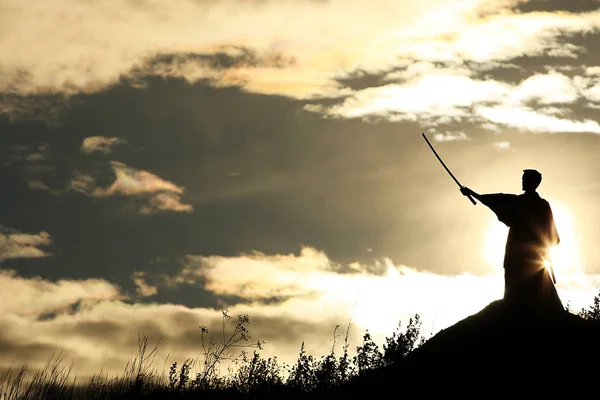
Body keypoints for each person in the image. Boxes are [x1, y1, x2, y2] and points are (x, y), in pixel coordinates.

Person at [460, 169, 564, 313]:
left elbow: (497, 200)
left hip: (524, 257)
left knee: (530, 292)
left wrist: (473, 194)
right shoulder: (532, 203)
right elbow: (496, 200)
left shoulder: (527, 204)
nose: (522, 181)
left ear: (532, 182)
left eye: (524, 178)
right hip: (527, 256)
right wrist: (472, 194)